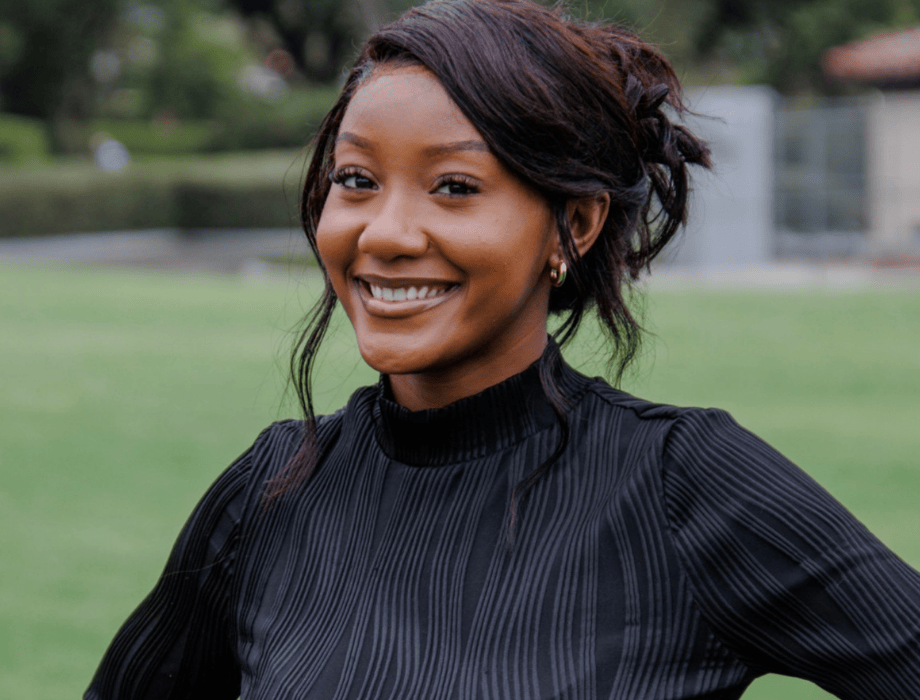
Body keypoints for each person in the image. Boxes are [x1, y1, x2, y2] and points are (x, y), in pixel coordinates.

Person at [85, 0, 920, 698]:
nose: (386, 233)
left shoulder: (685, 484)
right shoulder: (273, 492)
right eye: (356, 180)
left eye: (454, 187)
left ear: (574, 224)